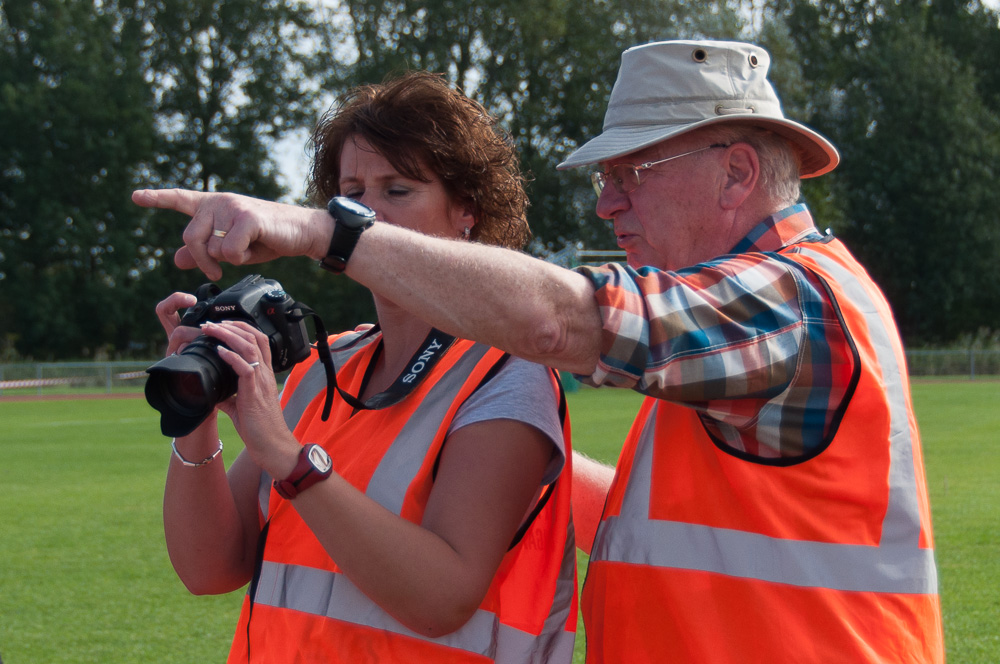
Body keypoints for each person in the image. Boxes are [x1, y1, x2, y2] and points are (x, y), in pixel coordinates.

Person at [134, 39, 945, 663]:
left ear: (735, 173)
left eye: (633, 171)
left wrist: (322, 233)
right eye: (607, 177)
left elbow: (561, 321)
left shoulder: (787, 299)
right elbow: (672, 520)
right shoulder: (335, 364)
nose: (608, 205)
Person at [148, 71, 577, 663]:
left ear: (467, 213)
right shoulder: (329, 366)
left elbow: (441, 599)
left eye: (397, 190)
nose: (365, 214)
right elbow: (209, 568)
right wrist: (193, 407)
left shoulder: (506, 374)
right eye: (351, 192)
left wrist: (290, 460)